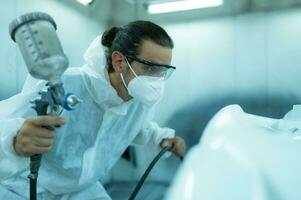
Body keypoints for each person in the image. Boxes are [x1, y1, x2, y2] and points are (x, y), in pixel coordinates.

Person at [0, 20, 185, 199]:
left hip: (80, 191)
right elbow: (7, 123)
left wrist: (162, 139)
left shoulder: (137, 102)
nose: (157, 80)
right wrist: (14, 141)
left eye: (163, 71)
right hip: (24, 189)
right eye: (150, 68)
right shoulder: (67, 83)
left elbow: (139, 128)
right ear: (119, 61)